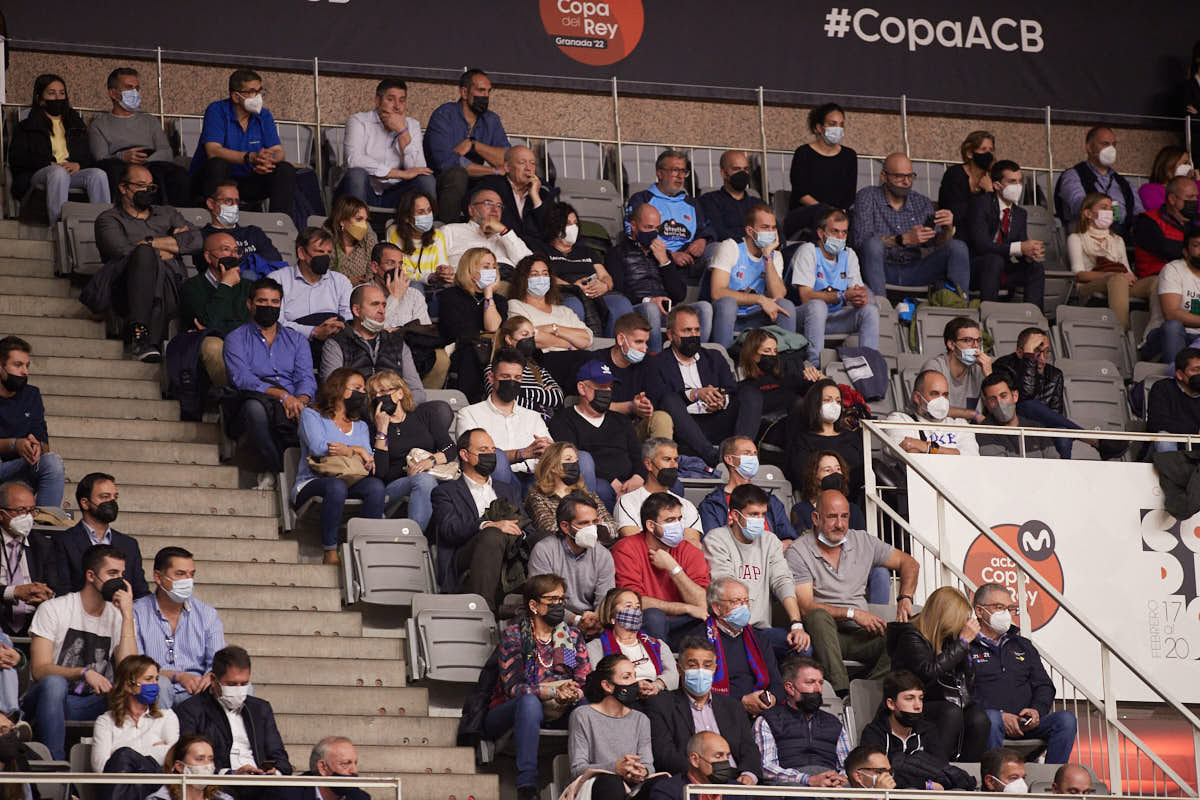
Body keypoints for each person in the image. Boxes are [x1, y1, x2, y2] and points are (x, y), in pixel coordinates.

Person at [787, 489, 920, 695]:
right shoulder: (799, 551)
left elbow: (909, 563)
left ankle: (867, 689)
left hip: (862, 635)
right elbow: (805, 606)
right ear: (815, 518)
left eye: (844, 516)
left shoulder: (862, 541)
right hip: (825, 635)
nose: (839, 524)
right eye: (832, 517)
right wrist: (852, 613)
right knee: (817, 617)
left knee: (909, 631)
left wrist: (905, 597)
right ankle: (842, 692)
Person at [22, 543, 138, 759]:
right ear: (91, 576)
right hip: (48, 699)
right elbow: (39, 670)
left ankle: (127, 762)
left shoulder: (118, 615)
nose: (119, 580)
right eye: (112, 573)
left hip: (90, 702)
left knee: (131, 690)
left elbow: (130, 670)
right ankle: (55, 767)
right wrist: (82, 672)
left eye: (122, 574)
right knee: (54, 683)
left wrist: (128, 615)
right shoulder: (55, 608)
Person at [484, 573, 589, 800]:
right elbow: (513, 687)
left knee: (586, 705)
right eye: (552, 601)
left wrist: (572, 692)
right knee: (529, 702)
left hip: (558, 706)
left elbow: (581, 678)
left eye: (561, 600)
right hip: (509, 709)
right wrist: (552, 691)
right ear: (534, 605)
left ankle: (587, 777)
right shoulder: (516, 636)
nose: (558, 606)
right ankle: (527, 785)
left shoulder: (568, 636)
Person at [95, 163, 204, 361]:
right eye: (141, 185)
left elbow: (197, 239)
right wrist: (169, 246)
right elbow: (122, 251)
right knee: (144, 256)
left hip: (172, 284)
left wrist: (150, 242)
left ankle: (144, 341)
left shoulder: (168, 213)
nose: (147, 191)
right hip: (126, 289)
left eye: (151, 187)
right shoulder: (109, 219)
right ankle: (141, 336)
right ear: (123, 188)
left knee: (147, 253)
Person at [222, 277, 314, 489]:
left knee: (314, 412)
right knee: (255, 409)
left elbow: (306, 377)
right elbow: (243, 379)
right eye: (262, 301)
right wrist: (282, 396)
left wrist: (300, 400)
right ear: (250, 304)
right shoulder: (236, 338)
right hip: (253, 400)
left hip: (294, 401)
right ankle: (280, 471)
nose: (269, 306)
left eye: (274, 302)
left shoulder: (297, 340)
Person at [972, 583, 1078, 763]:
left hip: (1025, 723)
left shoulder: (1023, 645)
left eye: (1009, 608)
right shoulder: (965, 645)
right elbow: (963, 693)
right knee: (991, 719)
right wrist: (999, 715)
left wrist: (1036, 710)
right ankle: (995, 781)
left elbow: (1044, 685)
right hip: (990, 722)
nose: (1005, 613)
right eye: (999, 607)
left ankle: (1053, 782)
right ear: (979, 611)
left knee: (1066, 720)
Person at [702, 487, 808, 663]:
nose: (760, 520)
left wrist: (796, 624)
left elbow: (782, 581)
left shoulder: (770, 540)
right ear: (735, 515)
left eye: (763, 514)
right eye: (753, 514)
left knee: (802, 646)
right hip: (727, 629)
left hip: (761, 631)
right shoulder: (716, 539)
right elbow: (726, 587)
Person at [294, 368, 386, 565]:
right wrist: (357, 450)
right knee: (336, 486)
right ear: (339, 389)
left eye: (363, 389)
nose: (362, 393)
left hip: (350, 480)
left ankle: (365, 551)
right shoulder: (311, 415)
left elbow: (368, 462)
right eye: (357, 388)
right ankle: (330, 550)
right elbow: (319, 448)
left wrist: (350, 450)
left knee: (376, 487)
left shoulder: (360, 425)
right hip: (313, 481)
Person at [885, 586, 989, 761]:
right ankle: (936, 768)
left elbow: (967, 682)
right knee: (950, 712)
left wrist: (963, 647)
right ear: (946, 618)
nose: (962, 624)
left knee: (979, 719)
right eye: (959, 619)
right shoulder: (910, 637)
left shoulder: (950, 639)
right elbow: (928, 672)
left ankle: (965, 773)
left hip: (946, 701)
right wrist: (962, 643)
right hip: (914, 704)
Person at [643, 637, 761, 783]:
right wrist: (702, 772)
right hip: (689, 780)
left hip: (734, 780)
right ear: (679, 669)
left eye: (707, 665)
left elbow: (748, 748)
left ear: (715, 669)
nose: (701, 671)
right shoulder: (661, 704)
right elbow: (664, 754)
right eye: (693, 665)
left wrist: (749, 774)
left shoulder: (732, 706)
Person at [852, 153, 970, 297]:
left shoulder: (922, 202)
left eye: (910, 176)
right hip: (881, 268)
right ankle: (881, 307)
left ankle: (960, 306)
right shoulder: (867, 196)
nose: (906, 182)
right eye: (899, 176)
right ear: (884, 176)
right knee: (873, 244)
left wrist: (947, 229)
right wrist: (903, 239)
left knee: (957, 247)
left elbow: (936, 243)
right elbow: (861, 241)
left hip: (916, 269)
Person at [428, 428, 527, 600]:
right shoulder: (445, 492)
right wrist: (487, 525)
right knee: (492, 534)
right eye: (483, 450)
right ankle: (483, 611)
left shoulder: (509, 490)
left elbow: (528, 526)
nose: (490, 454)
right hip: (467, 555)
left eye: (492, 450)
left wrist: (518, 532)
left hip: (512, 550)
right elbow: (449, 529)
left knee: (544, 539)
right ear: (465, 455)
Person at [645, 306, 744, 466]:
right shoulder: (657, 363)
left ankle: (742, 452)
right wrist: (695, 394)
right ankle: (712, 457)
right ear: (670, 334)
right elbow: (658, 398)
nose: (693, 335)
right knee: (669, 399)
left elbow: (731, 389)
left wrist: (721, 400)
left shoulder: (714, 357)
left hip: (718, 419)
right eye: (687, 330)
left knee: (749, 393)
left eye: (697, 330)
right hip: (685, 426)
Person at [190, 69, 296, 217]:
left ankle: (279, 224)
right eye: (252, 92)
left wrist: (266, 161)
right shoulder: (217, 110)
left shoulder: (264, 115)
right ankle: (216, 221)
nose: (258, 97)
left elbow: (278, 151)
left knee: (284, 169)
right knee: (217, 164)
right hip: (216, 179)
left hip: (249, 179)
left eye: (260, 91)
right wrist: (250, 157)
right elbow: (213, 150)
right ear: (235, 96)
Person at [175, 644, 292, 777]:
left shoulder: (260, 709)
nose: (239, 689)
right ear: (213, 680)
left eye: (244, 684)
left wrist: (274, 771)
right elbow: (190, 759)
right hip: (220, 783)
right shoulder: (191, 710)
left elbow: (280, 757)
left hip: (261, 782)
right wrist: (231, 773)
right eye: (231, 684)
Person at [9, 73, 110, 224]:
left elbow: (88, 155)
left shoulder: (75, 123)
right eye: (51, 93)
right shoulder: (27, 126)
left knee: (98, 174)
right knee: (58, 172)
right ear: (40, 98)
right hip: (41, 171)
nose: (58, 98)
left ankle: (104, 225)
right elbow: (18, 157)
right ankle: (58, 225)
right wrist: (47, 164)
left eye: (62, 93)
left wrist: (78, 165)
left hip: (71, 171)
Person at [133, 547, 224, 711]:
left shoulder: (207, 614)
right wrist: (178, 676)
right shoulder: (137, 612)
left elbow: (218, 661)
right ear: (158, 577)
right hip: (156, 687)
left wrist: (210, 676)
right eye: (180, 574)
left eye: (192, 574)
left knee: (233, 685)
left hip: (197, 690)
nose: (188, 580)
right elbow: (137, 667)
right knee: (160, 685)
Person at [612, 492, 709, 644]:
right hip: (645, 624)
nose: (678, 526)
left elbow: (701, 604)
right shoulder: (626, 549)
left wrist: (674, 568)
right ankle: (659, 665)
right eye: (670, 520)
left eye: (679, 519)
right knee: (654, 617)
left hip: (682, 623)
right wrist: (685, 608)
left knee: (709, 620)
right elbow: (634, 602)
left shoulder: (690, 551)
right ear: (651, 525)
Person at [364, 370, 453, 532]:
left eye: (383, 391)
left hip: (431, 475)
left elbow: (450, 448)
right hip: (393, 487)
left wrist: (429, 461)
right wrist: (382, 429)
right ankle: (414, 540)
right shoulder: (372, 429)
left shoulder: (425, 415)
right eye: (374, 394)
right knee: (423, 481)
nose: (378, 397)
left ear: (399, 393)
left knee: (427, 480)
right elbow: (381, 473)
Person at [860, 669, 976, 790]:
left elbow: (941, 771)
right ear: (891, 704)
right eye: (909, 698)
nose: (918, 706)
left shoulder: (927, 730)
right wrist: (925, 784)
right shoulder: (874, 733)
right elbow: (876, 777)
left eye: (920, 698)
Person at [549, 360, 643, 509]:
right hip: (595, 481)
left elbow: (638, 455)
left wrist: (638, 476)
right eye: (600, 387)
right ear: (582, 388)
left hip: (629, 481)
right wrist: (612, 481)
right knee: (602, 489)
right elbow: (574, 459)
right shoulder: (563, 420)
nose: (606, 392)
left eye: (609, 387)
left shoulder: (622, 421)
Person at [90, 67, 189, 206]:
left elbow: (166, 151)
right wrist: (122, 157)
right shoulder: (99, 124)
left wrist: (146, 162)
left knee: (179, 175)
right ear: (113, 93)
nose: (134, 93)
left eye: (137, 88)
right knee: (115, 170)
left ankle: (177, 218)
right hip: (120, 165)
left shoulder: (149, 120)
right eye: (129, 88)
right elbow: (100, 158)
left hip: (152, 162)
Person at [791, 208, 879, 365]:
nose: (840, 237)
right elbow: (805, 296)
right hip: (804, 318)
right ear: (821, 233)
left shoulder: (849, 254)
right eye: (835, 232)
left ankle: (868, 366)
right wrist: (843, 295)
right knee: (818, 306)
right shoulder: (808, 251)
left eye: (844, 232)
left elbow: (856, 291)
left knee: (870, 311)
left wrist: (859, 298)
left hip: (833, 319)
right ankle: (815, 365)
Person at [606, 204, 697, 352]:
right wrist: (649, 300)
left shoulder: (663, 253)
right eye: (648, 227)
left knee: (704, 309)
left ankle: (698, 359)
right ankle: (655, 358)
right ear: (634, 226)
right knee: (651, 308)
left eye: (657, 228)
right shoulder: (617, 253)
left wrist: (664, 262)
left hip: (666, 310)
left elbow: (679, 294)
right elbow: (617, 290)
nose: (654, 233)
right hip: (637, 309)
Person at [455, 347, 553, 484]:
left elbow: (551, 453)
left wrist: (548, 449)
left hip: (534, 480)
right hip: (493, 480)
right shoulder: (469, 414)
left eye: (517, 378)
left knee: (578, 457)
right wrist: (522, 453)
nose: (512, 382)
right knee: (498, 458)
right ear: (491, 378)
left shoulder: (533, 417)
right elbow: (477, 458)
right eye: (505, 377)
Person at [424, 68, 511, 223]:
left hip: (475, 182)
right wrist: (494, 170)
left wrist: (474, 145)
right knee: (458, 174)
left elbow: (507, 159)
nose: (485, 96)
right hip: (441, 181)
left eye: (488, 92)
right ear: (464, 93)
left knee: (502, 182)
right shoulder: (444, 115)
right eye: (480, 90)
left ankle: (497, 234)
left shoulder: (491, 120)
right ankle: (447, 230)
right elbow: (446, 163)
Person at [567, 654, 655, 800]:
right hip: (597, 786)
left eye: (634, 676)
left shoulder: (641, 719)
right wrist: (616, 768)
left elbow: (648, 764)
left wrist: (641, 771)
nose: (634, 683)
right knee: (611, 782)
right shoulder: (583, 715)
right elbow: (578, 768)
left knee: (660, 784)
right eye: (626, 677)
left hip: (632, 787)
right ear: (607, 685)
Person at [690, 577, 784, 713]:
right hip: (719, 711)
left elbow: (777, 684)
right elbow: (697, 687)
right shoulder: (699, 639)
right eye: (736, 602)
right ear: (717, 608)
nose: (744, 607)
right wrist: (742, 702)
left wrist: (770, 698)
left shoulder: (759, 638)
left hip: (761, 710)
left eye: (746, 601)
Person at [528, 492, 616, 637]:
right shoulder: (544, 550)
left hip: (592, 623)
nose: (592, 529)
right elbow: (543, 600)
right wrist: (576, 620)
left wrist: (596, 619)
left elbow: (605, 601)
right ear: (565, 527)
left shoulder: (603, 555)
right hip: (552, 622)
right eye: (584, 523)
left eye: (594, 522)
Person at [709, 204, 797, 348]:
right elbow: (717, 292)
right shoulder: (731, 247)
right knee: (727, 303)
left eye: (773, 228)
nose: (770, 232)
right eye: (765, 227)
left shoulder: (776, 256)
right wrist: (760, 299)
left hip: (757, 314)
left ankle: (784, 360)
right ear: (750, 231)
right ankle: (724, 358)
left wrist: (767, 257)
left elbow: (778, 294)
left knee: (785, 305)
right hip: (729, 313)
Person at [753, 655, 850, 787]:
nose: (818, 689)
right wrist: (808, 780)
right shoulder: (768, 720)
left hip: (832, 787)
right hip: (791, 789)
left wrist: (840, 779)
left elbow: (847, 764)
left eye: (820, 683)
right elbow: (765, 768)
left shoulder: (833, 723)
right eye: (810, 682)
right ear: (790, 688)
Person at [339, 78, 436, 208]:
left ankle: (428, 227)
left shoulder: (412, 125)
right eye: (390, 99)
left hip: (396, 195)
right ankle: (358, 225)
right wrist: (401, 174)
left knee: (425, 179)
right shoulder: (358, 121)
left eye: (402, 101)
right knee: (357, 174)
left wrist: (402, 132)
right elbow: (354, 160)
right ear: (377, 101)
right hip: (362, 191)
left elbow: (418, 168)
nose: (397, 106)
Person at [90, 654, 179, 796]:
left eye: (156, 679)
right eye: (149, 679)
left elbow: (173, 760)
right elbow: (101, 767)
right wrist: (155, 750)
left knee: (123, 755)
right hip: (119, 789)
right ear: (128, 685)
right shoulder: (105, 721)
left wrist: (121, 755)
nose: (154, 685)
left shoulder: (167, 717)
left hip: (156, 791)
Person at [54, 473, 151, 598]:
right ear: (85, 503)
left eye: (114, 497)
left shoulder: (129, 544)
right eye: (105, 497)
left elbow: (140, 592)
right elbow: (63, 590)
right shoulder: (64, 542)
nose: (111, 502)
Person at [542, 203, 633, 337]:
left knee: (621, 304)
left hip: (594, 292)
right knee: (574, 305)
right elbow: (543, 276)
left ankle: (611, 350)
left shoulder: (587, 251)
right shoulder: (544, 250)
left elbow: (605, 276)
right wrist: (573, 287)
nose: (573, 227)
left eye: (575, 223)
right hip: (564, 291)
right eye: (568, 223)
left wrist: (604, 285)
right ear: (555, 226)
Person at [321, 284, 425, 398]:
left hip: (396, 410)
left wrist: (397, 407)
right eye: (375, 304)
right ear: (356, 310)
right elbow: (332, 391)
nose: (381, 311)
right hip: (355, 412)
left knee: (440, 408)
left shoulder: (397, 343)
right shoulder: (336, 344)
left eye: (384, 305)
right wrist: (374, 406)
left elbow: (417, 391)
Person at [1067, 193, 1152, 330]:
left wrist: (1129, 278)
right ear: (1088, 213)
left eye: (1111, 208)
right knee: (1118, 279)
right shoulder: (1076, 238)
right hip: (1089, 284)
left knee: (1155, 281)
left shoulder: (1118, 240)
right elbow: (1079, 275)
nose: (1109, 211)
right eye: (1103, 207)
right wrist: (1110, 275)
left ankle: (1153, 331)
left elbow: (1127, 270)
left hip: (1120, 281)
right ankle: (1121, 332)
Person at [967, 159, 1047, 307]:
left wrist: (1030, 254)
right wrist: (1020, 248)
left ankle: (1035, 319)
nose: (1018, 186)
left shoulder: (1020, 213)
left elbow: (1021, 246)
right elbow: (981, 245)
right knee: (994, 260)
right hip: (977, 269)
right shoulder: (980, 204)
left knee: (1035, 268)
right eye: (1012, 181)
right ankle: (988, 314)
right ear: (997, 185)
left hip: (1003, 269)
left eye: (1020, 181)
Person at [0, 336, 65, 509]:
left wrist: (36, 447)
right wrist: (15, 445)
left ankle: (44, 527)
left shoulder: (31, 395)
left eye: (27, 366)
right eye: (17, 365)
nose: (24, 372)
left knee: (53, 462)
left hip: (22, 467)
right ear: (1, 367)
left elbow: (43, 442)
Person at [180, 232, 251, 387]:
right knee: (213, 345)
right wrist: (225, 286)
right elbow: (207, 321)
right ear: (208, 256)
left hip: (244, 344)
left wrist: (218, 329)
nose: (233, 255)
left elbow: (248, 324)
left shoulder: (247, 287)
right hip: (206, 348)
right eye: (226, 249)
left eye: (236, 251)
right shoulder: (191, 287)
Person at [437, 247, 507, 402]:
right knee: (471, 352)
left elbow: (493, 328)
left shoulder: (499, 301)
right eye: (486, 266)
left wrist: (488, 295)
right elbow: (456, 332)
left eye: (494, 267)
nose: (492, 271)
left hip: (490, 349)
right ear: (469, 269)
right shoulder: (451, 296)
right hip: (460, 349)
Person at [624, 151, 712, 272]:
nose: (680, 176)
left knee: (719, 250)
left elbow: (706, 229)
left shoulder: (692, 203)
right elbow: (632, 234)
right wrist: (669, 255)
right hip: (653, 262)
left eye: (683, 171)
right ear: (660, 173)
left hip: (690, 262)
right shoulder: (642, 199)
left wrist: (702, 240)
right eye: (675, 170)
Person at [783, 102, 858, 240]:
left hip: (838, 214)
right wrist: (827, 212)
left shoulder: (849, 156)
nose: (838, 128)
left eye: (841, 125)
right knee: (823, 216)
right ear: (819, 127)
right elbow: (801, 192)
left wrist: (837, 213)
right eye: (832, 124)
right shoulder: (803, 153)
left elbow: (849, 195)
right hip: (806, 213)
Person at [587, 588, 679, 699]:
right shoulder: (596, 647)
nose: (635, 611)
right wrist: (633, 687)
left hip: (656, 697)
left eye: (637, 607)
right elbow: (599, 681)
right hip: (620, 700)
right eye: (628, 606)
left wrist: (657, 685)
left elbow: (673, 675)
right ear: (612, 617)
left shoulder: (657, 644)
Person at [1054, 125, 1142, 240]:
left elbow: (1139, 213)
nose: (1111, 149)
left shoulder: (1124, 183)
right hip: (1086, 239)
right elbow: (1079, 205)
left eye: (1114, 145)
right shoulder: (1073, 175)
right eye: (1105, 144)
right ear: (1089, 147)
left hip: (1122, 241)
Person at [267, 227, 352, 344]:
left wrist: (338, 326)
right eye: (320, 252)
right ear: (301, 253)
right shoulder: (277, 280)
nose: (326, 257)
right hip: (291, 344)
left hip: (333, 345)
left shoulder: (340, 281)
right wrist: (313, 331)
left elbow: (349, 318)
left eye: (329, 252)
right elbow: (275, 322)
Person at [700, 437, 797, 540]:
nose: (753, 458)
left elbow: (789, 539)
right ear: (729, 459)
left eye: (755, 454)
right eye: (747, 454)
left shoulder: (771, 501)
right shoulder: (712, 504)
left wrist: (770, 552)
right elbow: (712, 543)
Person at [734, 329, 822, 435]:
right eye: (767, 351)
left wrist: (816, 379)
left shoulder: (787, 377)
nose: (772, 355)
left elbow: (809, 390)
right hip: (766, 432)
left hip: (795, 430)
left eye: (775, 351)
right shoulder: (745, 387)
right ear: (753, 354)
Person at [599, 313, 672, 441]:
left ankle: (661, 459)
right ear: (621, 339)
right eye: (639, 342)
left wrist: (646, 406)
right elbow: (592, 405)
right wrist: (630, 407)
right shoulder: (597, 361)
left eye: (646, 342)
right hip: (604, 429)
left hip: (635, 428)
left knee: (661, 418)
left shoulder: (649, 362)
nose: (644, 348)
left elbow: (657, 397)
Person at [785, 379, 865, 494]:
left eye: (838, 401)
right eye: (828, 400)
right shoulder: (803, 440)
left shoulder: (852, 437)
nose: (834, 405)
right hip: (821, 496)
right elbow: (802, 478)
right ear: (815, 403)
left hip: (855, 495)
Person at [525, 442, 616, 543]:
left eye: (576, 461)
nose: (575, 464)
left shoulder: (588, 495)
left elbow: (612, 529)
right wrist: (595, 527)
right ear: (553, 466)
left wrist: (578, 528)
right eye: (568, 459)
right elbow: (551, 531)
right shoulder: (538, 497)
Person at [613, 439, 701, 542]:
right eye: (667, 459)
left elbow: (692, 546)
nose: (674, 465)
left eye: (675, 460)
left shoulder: (687, 505)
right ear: (649, 464)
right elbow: (634, 543)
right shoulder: (628, 501)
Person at [0, 481, 57, 637]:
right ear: (1, 514)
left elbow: (56, 586)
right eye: (20, 510)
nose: (28, 517)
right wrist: (14, 591)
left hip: (35, 625)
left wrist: (47, 595)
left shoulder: (43, 545)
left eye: (32, 510)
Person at [506, 255, 594, 352]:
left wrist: (554, 328)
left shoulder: (564, 310)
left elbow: (587, 339)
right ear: (523, 279)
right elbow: (525, 338)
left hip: (575, 357)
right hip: (543, 360)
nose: (541, 278)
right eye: (534, 274)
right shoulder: (516, 305)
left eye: (545, 274)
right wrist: (568, 345)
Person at [475, 144, 556, 249]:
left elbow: (552, 231)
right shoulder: (491, 186)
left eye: (532, 163)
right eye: (522, 163)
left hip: (535, 254)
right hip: (499, 248)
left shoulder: (543, 194)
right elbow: (476, 214)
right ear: (507, 167)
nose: (528, 168)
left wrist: (535, 197)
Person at [485, 316, 564, 423]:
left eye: (532, 335)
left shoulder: (538, 370)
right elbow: (501, 398)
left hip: (543, 423)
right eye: (525, 335)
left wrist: (517, 391)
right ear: (509, 339)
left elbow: (558, 398)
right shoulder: (494, 368)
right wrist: (541, 392)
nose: (530, 339)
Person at [884, 369, 980, 456]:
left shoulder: (960, 425)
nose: (941, 400)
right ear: (917, 397)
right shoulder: (900, 420)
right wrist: (953, 452)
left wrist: (928, 448)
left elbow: (972, 458)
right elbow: (909, 454)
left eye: (945, 395)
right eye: (935, 394)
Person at [199, 181, 283, 280]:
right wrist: (254, 263)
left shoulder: (253, 233)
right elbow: (216, 270)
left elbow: (275, 263)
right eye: (228, 201)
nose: (235, 206)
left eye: (237, 201)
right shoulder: (202, 236)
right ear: (211, 204)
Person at [1143, 227, 1200, 366]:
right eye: (1197, 245)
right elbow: (1171, 314)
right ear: (1185, 252)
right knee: (1173, 326)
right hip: (1165, 336)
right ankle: (1175, 378)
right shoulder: (1173, 269)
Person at [442, 188, 533, 273]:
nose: (495, 209)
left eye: (499, 206)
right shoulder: (450, 231)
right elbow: (434, 269)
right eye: (488, 203)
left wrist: (504, 232)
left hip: (507, 285)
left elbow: (530, 267)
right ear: (471, 210)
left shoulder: (507, 236)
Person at [921, 316, 991, 421]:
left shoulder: (979, 369)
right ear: (951, 345)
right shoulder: (935, 367)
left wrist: (989, 373)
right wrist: (972, 414)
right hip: (934, 426)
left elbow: (997, 405)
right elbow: (933, 407)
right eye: (968, 340)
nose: (975, 346)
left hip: (965, 433)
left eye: (978, 340)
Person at [976, 373, 1060, 459]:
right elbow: (1000, 467)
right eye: (992, 399)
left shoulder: (1036, 428)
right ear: (986, 404)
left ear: (1015, 396)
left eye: (1003, 396)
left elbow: (1055, 463)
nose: (999, 403)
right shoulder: (984, 431)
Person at [385, 191, 454, 290]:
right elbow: (398, 272)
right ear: (407, 217)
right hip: (406, 286)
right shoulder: (394, 232)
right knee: (416, 286)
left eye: (429, 210)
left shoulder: (437, 235)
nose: (427, 215)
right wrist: (428, 277)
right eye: (421, 212)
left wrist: (444, 272)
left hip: (433, 288)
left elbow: (441, 267)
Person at [1134, 175, 1199, 279]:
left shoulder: (1195, 222)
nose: (1195, 201)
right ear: (1172, 199)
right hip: (1156, 278)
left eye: (1197, 197)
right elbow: (1169, 249)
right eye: (1190, 197)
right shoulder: (1148, 221)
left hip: (1190, 277)